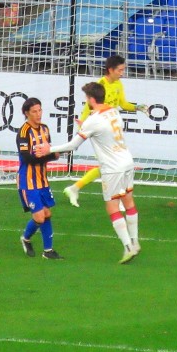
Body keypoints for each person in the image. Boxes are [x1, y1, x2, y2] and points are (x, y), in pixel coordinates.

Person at [41, 82, 141, 264]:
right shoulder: (114, 111)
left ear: (91, 99)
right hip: (127, 161)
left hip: (113, 168)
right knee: (129, 202)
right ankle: (135, 242)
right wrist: (85, 126)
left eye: (86, 98)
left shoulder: (92, 121)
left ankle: (128, 247)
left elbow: (73, 145)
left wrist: (49, 149)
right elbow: (105, 130)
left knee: (112, 207)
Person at [64, 55, 147, 207]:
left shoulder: (118, 84)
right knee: (114, 164)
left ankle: (75, 188)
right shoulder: (100, 85)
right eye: (120, 70)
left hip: (110, 129)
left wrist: (137, 107)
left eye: (123, 70)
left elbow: (123, 104)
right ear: (110, 70)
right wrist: (82, 126)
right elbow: (88, 107)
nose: (122, 73)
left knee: (108, 165)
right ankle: (120, 198)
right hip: (98, 130)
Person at [17, 98, 63, 260]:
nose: (38, 114)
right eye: (34, 111)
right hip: (27, 181)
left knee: (47, 213)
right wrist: (49, 156)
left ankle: (48, 251)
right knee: (39, 216)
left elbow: (49, 153)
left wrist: (53, 155)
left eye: (40, 110)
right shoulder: (23, 132)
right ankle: (25, 238)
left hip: (42, 180)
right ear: (26, 113)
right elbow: (27, 158)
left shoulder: (45, 129)